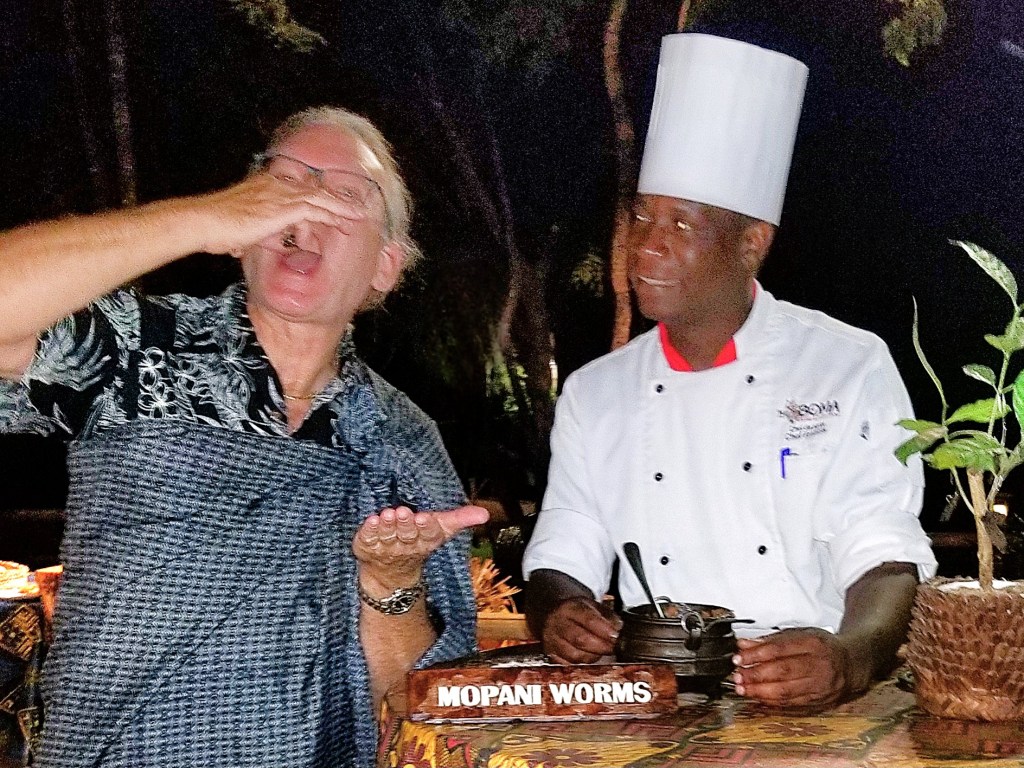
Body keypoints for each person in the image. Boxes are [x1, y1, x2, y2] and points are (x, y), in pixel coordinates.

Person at [0, 106, 487, 767]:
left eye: (343, 194)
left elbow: (420, 700)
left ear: (386, 266)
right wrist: (200, 217)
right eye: (284, 184)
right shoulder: (140, 350)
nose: (304, 209)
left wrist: (389, 582)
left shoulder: (401, 437)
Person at [522, 33, 937, 711]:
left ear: (752, 244)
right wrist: (560, 612)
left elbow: (884, 552)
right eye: (643, 215)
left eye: (683, 224)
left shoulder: (846, 366)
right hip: (654, 709)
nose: (647, 242)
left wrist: (851, 657)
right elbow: (563, 549)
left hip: (813, 707)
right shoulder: (595, 394)